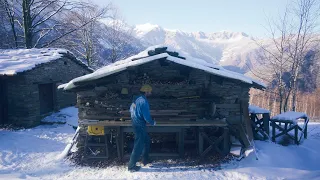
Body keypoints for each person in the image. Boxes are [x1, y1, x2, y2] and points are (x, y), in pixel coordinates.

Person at [128, 84, 156, 172]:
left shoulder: (135, 99)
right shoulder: (144, 101)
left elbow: (130, 110)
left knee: (146, 140)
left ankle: (145, 160)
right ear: (146, 92)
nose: (151, 93)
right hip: (139, 124)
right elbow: (146, 117)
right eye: (150, 91)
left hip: (135, 121)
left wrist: (136, 116)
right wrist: (152, 122)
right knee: (138, 145)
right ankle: (131, 166)